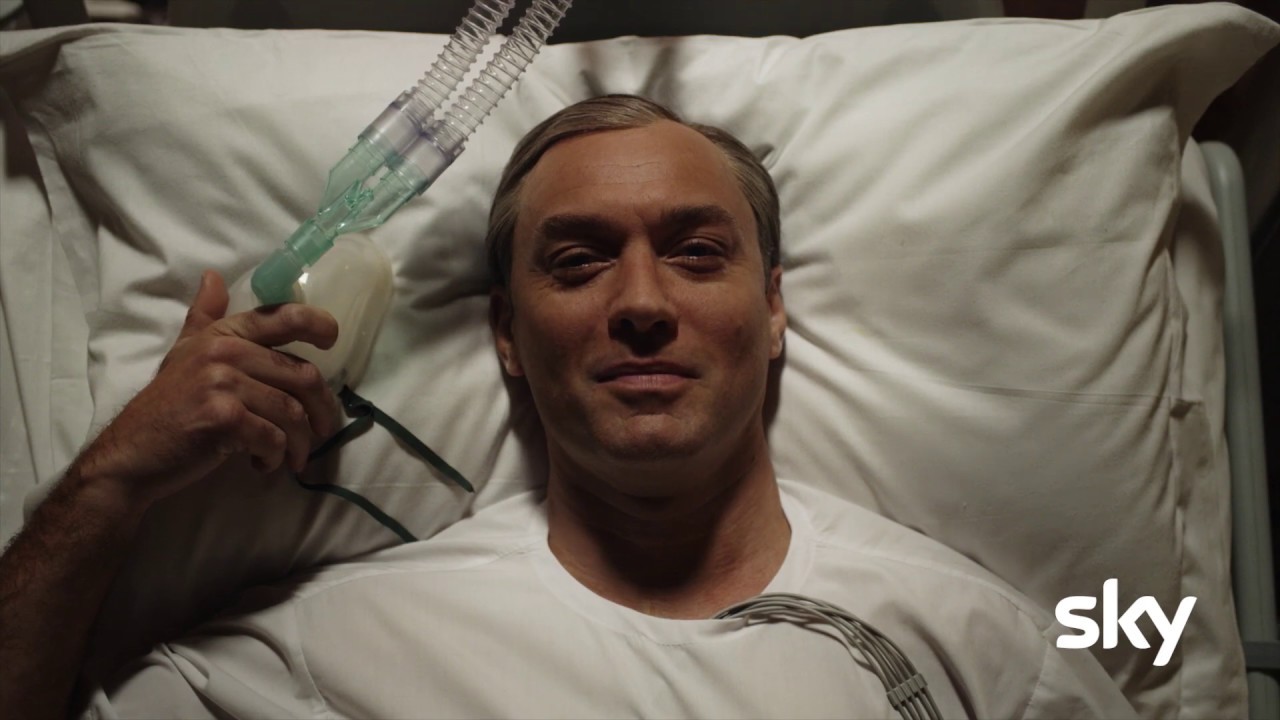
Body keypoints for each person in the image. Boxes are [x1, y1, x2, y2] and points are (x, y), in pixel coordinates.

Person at [0, 94, 1137, 719]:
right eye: (579, 262)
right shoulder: (334, 652)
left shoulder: (979, 649)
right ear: (506, 333)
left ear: (773, 310)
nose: (640, 304)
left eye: (696, 253)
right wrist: (111, 482)